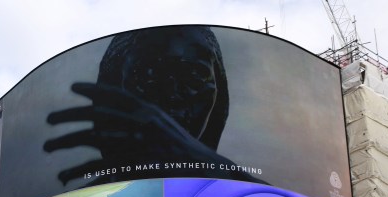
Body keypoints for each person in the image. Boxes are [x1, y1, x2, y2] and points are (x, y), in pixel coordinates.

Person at [44, 26, 262, 186]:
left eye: (195, 76)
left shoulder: (244, 195)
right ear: (112, 89)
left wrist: (201, 163)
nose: (171, 93)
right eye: (147, 76)